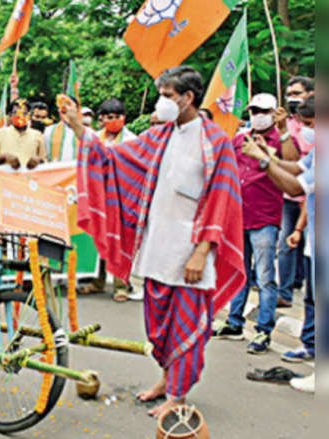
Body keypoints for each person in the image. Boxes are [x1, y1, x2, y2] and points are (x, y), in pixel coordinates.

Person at [64, 66, 245, 417]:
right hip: (157, 248)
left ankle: (177, 396)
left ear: (187, 97)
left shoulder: (215, 141)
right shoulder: (158, 136)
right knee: (158, 324)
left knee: (186, 324)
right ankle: (166, 381)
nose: (161, 102)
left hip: (193, 252)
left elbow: (222, 201)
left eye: (167, 95)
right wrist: (79, 129)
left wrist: (202, 251)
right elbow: (112, 160)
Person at [241, 97, 317, 392]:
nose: (308, 131)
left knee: (267, 277)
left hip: (270, 219)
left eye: (311, 125)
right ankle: (313, 351)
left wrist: (263, 160)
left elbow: (295, 186)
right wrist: (266, 156)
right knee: (314, 300)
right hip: (314, 237)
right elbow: (297, 168)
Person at [212, 94, 297, 354]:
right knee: (240, 272)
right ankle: (235, 323)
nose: (257, 114)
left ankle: (263, 331)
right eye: (253, 110)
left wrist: (283, 130)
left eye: (263, 110)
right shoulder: (240, 139)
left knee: (265, 277)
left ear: (274, 112)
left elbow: (293, 165)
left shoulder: (280, 140)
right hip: (239, 216)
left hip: (265, 217)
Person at [82, 98, 138, 301]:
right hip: (99, 196)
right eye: (109, 117)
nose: (113, 121)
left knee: (121, 242)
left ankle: (121, 286)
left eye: (117, 117)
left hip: (123, 197)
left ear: (124, 118)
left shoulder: (132, 139)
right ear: (102, 119)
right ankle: (97, 281)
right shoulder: (94, 138)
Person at [277, 77, 315, 307]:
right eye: (289, 93)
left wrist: (265, 161)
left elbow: (298, 177)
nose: (292, 97)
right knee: (288, 243)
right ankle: (286, 292)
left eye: (298, 93)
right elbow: (292, 161)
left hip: (309, 195)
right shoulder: (289, 123)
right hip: (296, 197)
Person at [0, 99, 46, 170]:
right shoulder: (0, 134)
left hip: (30, 178)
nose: (20, 116)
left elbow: (45, 160)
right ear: (10, 115)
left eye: (24, 113)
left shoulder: (37, 135)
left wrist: (39, 160)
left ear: (29, 115)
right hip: (6, 178)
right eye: (16, 112)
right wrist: (3, 157)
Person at [44, 96, 80, 164]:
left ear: (77, 110)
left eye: (69, 107)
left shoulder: (86, 133)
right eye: (63, 108)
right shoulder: (49, 132)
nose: (67, 111)